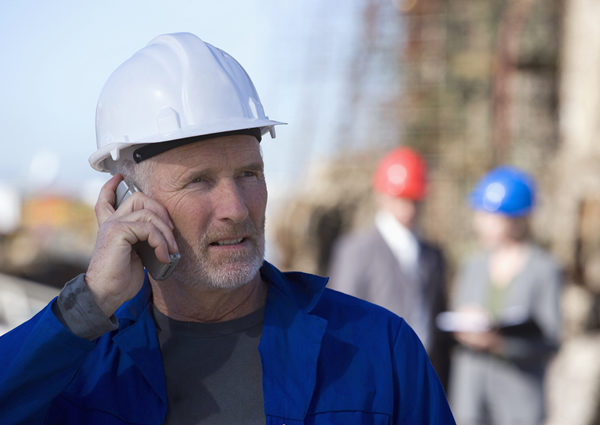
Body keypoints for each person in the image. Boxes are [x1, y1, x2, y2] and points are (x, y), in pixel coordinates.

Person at [0, 33, 455, 424]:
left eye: (248, 174)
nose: (236, 208)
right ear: (127, 203)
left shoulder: (378, 350)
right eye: (198, 181)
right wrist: (90, 303)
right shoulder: (77, 368)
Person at [328, 147, 452, 389]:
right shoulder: (355, 251)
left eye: (414, 200)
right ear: (381, 196)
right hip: (374, 380)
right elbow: (340, 322)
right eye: (401, 199)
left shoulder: (433, 255)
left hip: (423, 380)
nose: (409, 208)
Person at [448, 166, 562, 425]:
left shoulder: (545, 270)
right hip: (471, 402)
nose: (479, 223)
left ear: (515, 219)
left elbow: (551, 339)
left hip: (518, 403)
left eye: (489, 216)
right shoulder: (472, 266)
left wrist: (499, 344)